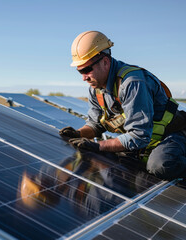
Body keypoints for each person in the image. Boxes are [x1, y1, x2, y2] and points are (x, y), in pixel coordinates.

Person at [59, 30, 186, 180]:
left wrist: (99, 145)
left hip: (171, 135)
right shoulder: (96, 89)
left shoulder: (132, 83)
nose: (84, 78)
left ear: (105, 62)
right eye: (80, 71)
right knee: (111, 167)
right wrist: (78, 134)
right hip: (147, 139)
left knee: (160, 166)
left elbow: (139, 136)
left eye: (87, 70)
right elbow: (95, 125)